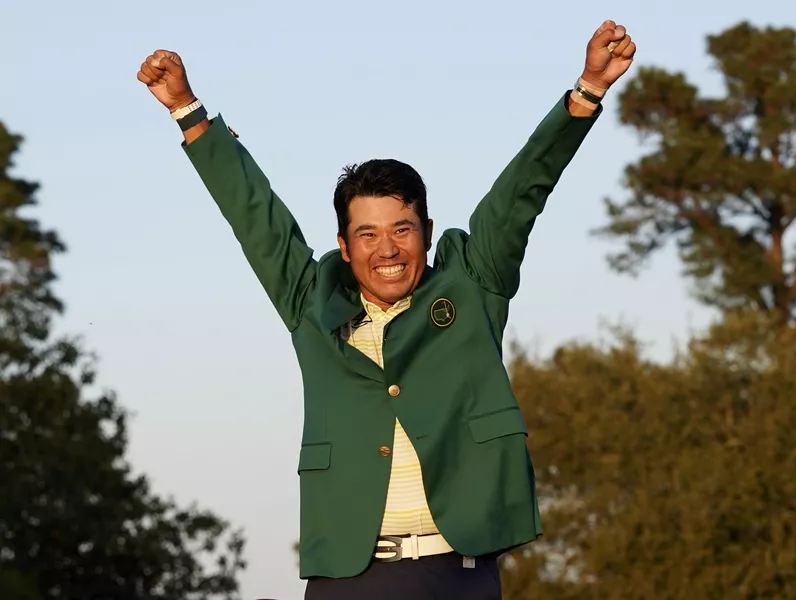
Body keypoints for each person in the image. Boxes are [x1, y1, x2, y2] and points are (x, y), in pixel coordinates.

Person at [137, 19, 636, 600]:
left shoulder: (473, 284)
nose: (387, 250)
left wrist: (587, 92)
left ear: (425, 232)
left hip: (459, 572)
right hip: (349, 576)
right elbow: (256, 217)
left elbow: (524, 188)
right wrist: (187, 111)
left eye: (402, 229)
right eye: (367, 235)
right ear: (345, 248)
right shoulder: (309, 300)